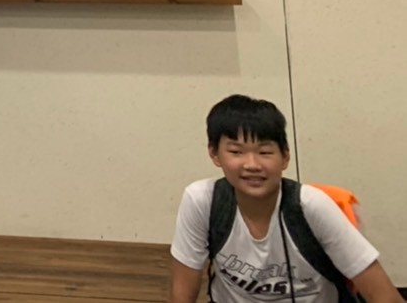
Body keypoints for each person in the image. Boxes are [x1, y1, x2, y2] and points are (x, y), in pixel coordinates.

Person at [168, 94, 399, 303]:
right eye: (236, 152)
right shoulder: (202, 201)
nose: (252, 165)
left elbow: (385, 297)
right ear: (214, 153)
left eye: (265, 152)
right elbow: (182, 295)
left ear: (285, 157)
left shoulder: (313, 206)